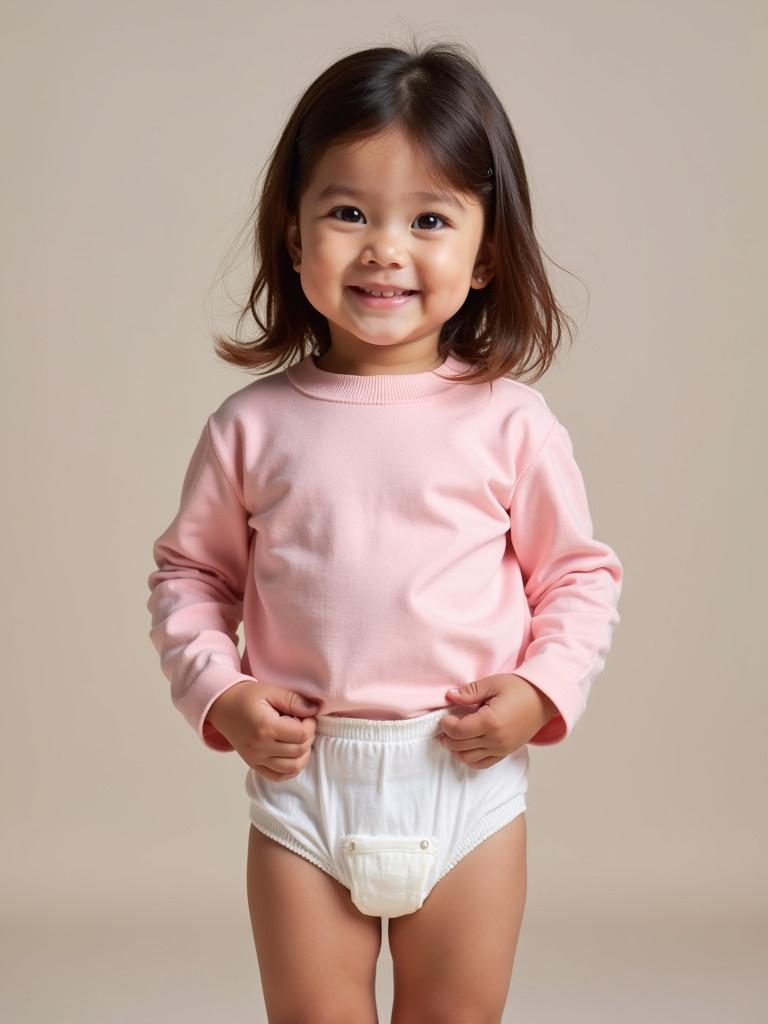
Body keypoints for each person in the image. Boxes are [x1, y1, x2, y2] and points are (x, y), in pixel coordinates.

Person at [146, 38, 623, 1024]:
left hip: (464, 777)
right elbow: (189, 578)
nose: (384, 248)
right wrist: (222, 692)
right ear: (292, 234)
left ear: (486, 251)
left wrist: (540, 689)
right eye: (349, 212)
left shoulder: (509, 421)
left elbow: (577, 577)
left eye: (430, 218)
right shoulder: (253, 427)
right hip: (306, 784)